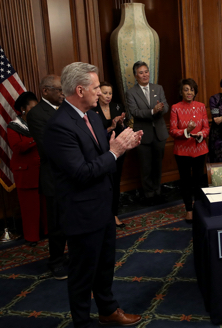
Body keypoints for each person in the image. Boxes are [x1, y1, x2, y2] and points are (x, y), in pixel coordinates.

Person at [44, 62, 143, 328]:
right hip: (81, 212)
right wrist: (115, 152)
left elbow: (104, 155)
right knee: (82, 273)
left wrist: (124, 145)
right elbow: (81, 172)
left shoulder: (95, 117)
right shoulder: (59, 126)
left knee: (105, 266)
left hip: (103, 206)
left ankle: (108, 310)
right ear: (80, 90)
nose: (100, 92)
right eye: (96, 87)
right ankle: (82, 322)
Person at [27, 74, 68, 280]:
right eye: (59, 90)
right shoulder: (36, 114)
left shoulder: (67, 108)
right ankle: (56, 262)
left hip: (72, 175)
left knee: (72, 220)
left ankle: (70, 256)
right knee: (57, 225)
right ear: (45, 91)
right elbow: (47, 148)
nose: (63, 93)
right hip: (54, 177)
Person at [7, 92, 47, 246]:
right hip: (25, 172)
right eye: (32, 108)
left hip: (42, 170)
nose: (36, 111)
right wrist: (36, 138)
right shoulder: (14, 126)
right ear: (23, 109)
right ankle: (31, 237)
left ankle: (46, 231)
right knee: (30, 208)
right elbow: (18, 147)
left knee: (45, 205)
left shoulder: (39, 122)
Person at [126, 61, 169, 199]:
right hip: (143, 134)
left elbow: (166, 106)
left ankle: (157, 191)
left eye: (146, 71)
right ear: (135, 75)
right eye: (141, 72)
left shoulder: (158, 88)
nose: (145, 75)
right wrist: (152, 111)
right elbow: (134, 112)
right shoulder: (131, 92)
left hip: (159, 134)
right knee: (146, 167)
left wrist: (161, 109)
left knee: (158, 165)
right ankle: (149, 194)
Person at [169, 78, 210, 221]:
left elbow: (206, 128)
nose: (189, 92)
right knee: (186, 181)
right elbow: (173, 131)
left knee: (199, 180)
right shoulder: (175, 107)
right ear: (181, 92)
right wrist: (187, 130)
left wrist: (201, 134)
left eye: (191, 90)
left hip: (200, 148)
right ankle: (189, 209)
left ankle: (198, 207)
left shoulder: (201, 106)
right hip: (182, 150)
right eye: (186, 89)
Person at [94, 82, 126, 227]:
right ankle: (102, 215)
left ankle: (114, 214)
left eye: (110, 93)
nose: (108, 96)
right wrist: (111, 127)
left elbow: (122, 129)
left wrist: (121, 123)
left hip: (117, 150)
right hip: (101, 151)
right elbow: (93, 134)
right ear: (99, 93)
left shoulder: (117, 107)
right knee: (102, 184)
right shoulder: (92, 109)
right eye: (105, 93)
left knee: (115, 182)